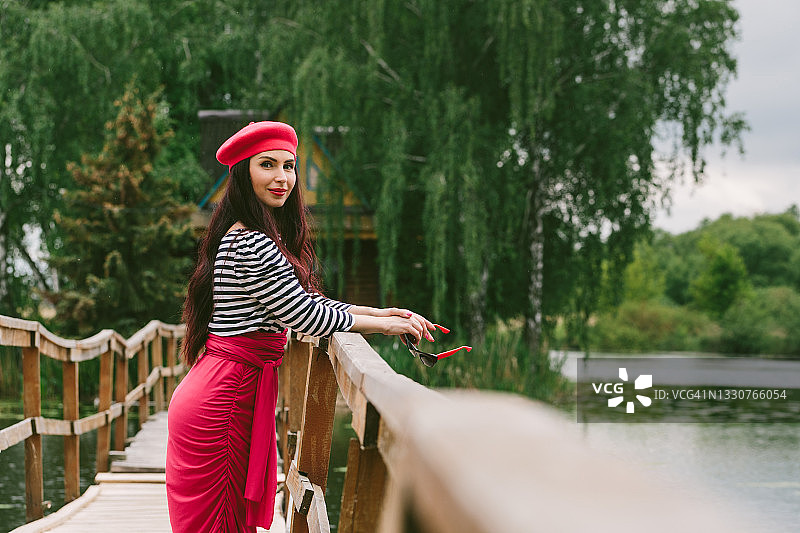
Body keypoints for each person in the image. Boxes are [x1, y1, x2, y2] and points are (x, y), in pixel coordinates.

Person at [165, 121, 435, 532]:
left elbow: (305, 302)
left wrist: (381, 315)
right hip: (225, 403)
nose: (282, 177)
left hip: (220, 390)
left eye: (289, 166)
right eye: (267, 165)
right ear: (243, 173)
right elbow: (303, 315)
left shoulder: (240, 234)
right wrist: (382, 328)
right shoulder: (251, 241)